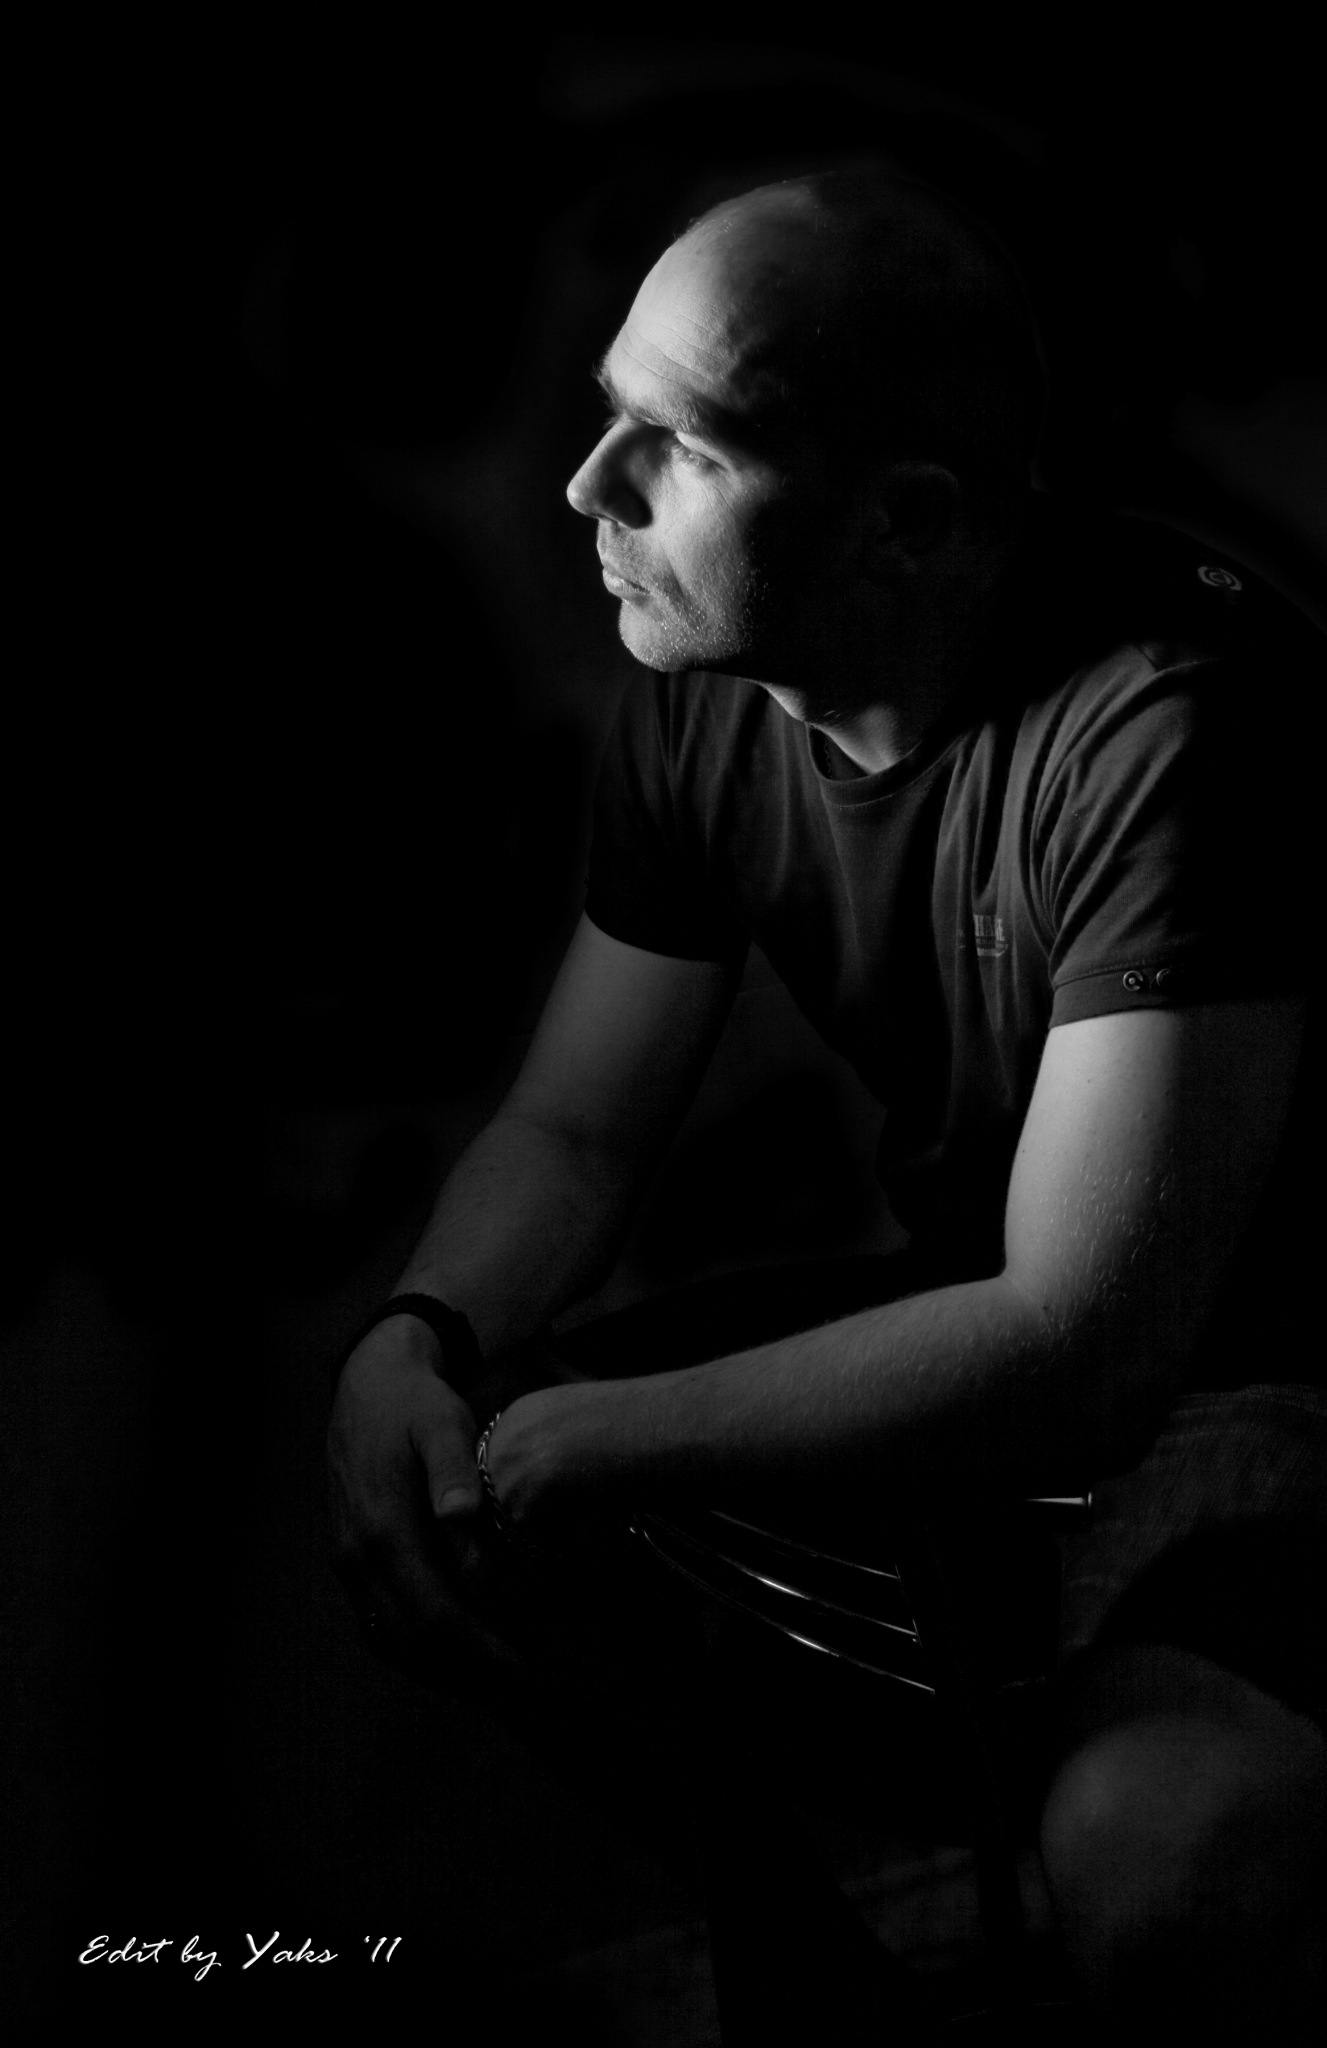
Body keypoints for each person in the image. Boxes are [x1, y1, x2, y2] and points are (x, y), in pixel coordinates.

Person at [327, 169, 1323, 2030]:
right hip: (1027, 1339)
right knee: (465, 1478)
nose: (591, 487)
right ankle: (815, 1983)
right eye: (609, 415)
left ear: (907, 524)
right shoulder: (714, 685)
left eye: (684, 447)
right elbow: (575, 1134)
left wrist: (598, 1441)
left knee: (1157, 1848)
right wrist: (421, 1337)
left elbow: (1089, 1343)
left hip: (1273, 1379)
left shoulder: (1171, 727)